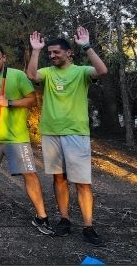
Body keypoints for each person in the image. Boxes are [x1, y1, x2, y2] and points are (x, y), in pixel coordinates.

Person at [27, 28, 108, 245]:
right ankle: (64, 220)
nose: (52, 56)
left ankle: (88, 227)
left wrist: (87, 46)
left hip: (76, 133)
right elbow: (32, 75)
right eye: (50, 53)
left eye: (56, 52)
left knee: (82, 182)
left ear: (69, 53)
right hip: (51, 132)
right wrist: (36, 51)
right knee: (59, 178)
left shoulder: (81, 72)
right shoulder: (48, 72)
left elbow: (102, 71)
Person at [0, 44, 55, 236]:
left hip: (16, 137)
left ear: (4, 58)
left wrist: (9, 103)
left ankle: (42, 216)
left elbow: (32, 100)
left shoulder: (17, 76)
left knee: (29, 174)